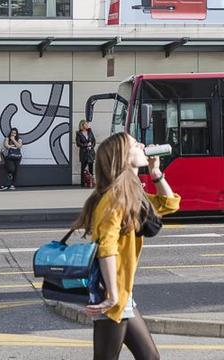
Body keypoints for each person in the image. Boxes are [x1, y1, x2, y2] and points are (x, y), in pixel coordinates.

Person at [72, 132, 180, 360]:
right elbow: (106, 247)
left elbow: (169, 204)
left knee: (150, 357)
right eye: (135, 144)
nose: (142, 145)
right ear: (123, 157)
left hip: (121, 292)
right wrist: (111, 295)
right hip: (111, 291)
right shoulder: (114, 197)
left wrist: (156, 173)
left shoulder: (130, 193)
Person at [76, 119, 96, 187]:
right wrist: (86, 145)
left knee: (91, 168)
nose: (87, 125)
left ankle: (91, 182)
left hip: (90, 152)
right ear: (82, 125)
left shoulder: (90, 131)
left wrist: (91, 146)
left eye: (87, 124)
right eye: (85, 124)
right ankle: (83, 183)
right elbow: (78, 144)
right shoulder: (79, 133)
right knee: (83, 168)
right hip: (84, 153)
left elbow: (94, 141)